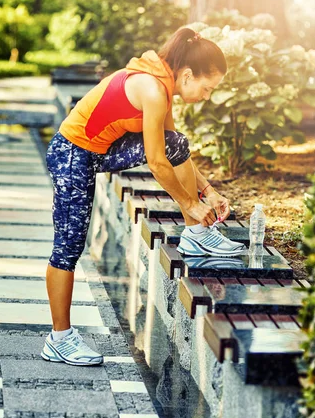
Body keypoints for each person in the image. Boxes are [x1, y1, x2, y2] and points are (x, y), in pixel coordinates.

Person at [41, 26, 245, 367]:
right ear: (188, 74)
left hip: (95, 152)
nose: (207, 96)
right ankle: (59, 339)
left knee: (177, 141)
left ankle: (195, 236)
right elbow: (156, 162)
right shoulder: (152, 89)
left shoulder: (162, 83)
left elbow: (170, 147)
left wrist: (207, 191)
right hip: (72, 154)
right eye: (207, 88)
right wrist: (190, 203)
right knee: (68, 247)